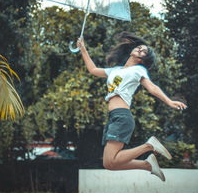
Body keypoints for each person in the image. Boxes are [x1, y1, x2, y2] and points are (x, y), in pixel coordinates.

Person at [77, 31, 187, 181]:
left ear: (143, 59)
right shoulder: (114, 70)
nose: (140, 50)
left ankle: (149, 146)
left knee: (111, 161)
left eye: (144, 51)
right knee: (109, 163)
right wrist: (83, 49)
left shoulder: (139, 70)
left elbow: (152, 87)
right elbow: (93, 70)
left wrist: (169, 101)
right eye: (140, 48)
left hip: (122, 116)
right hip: (113, 117)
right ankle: (147, 165)